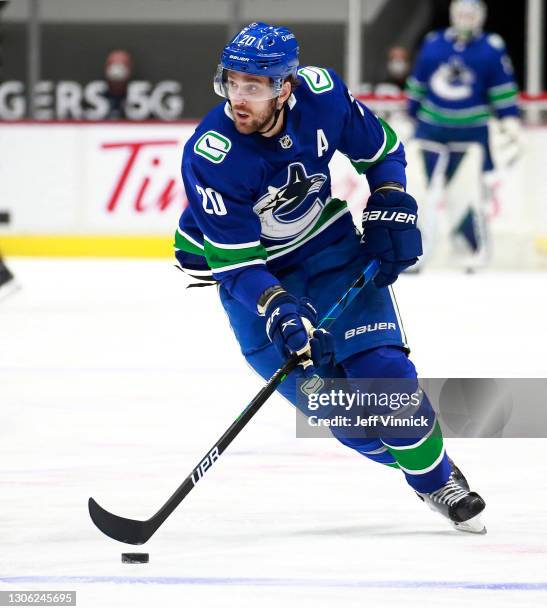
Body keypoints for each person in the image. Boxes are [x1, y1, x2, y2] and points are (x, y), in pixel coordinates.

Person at [174, 22, 486, 533]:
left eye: (253, 86)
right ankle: (431, 464)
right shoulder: (214, 155)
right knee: (348, 418)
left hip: (329, 250)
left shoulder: (324, 96)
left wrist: (390, 198)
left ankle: (436, 484)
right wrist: (275, 305)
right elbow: (237, 265)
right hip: (255, 278)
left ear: (285, 87)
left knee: (387, 380)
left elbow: (383, 150)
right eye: (232, 82)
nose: (238, 98)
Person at [405, 0, 521, 270]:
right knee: (420, 195)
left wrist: (510, 119)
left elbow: (502, 88)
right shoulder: (433, 44)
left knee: (466, 196)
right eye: (460, 13)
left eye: (471, 14)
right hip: (430, 131)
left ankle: (470, 255)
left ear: (481, 16)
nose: (465, 19)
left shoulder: (490, 49)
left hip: (471, 137)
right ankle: (414, 255)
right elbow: (418, 84)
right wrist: (411, 114)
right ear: (452, 15)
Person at [103, 49, 133, 119]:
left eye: (121, 64)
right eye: (113, 64)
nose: (117, 69)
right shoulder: (98, 95)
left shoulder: (140, 99)